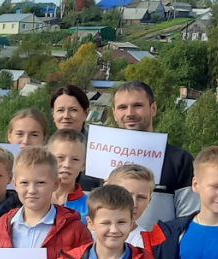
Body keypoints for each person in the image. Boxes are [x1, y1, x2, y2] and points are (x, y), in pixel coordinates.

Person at [79, 80, 198, 226]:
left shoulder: (179, 160)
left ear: (153, 108)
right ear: (114, 113)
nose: (130, 113)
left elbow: (189, 218)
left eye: (138, 106)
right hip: (110, 246)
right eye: (122, 107)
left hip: (159, 248)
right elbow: (85, 215)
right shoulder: (96, 158)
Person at [48, 128, 88, 220]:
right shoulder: (35, 197)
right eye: (60, 158)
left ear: (83, 165)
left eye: (75, 159)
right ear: (48, 160)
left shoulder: (90, 206)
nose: (67, 165)